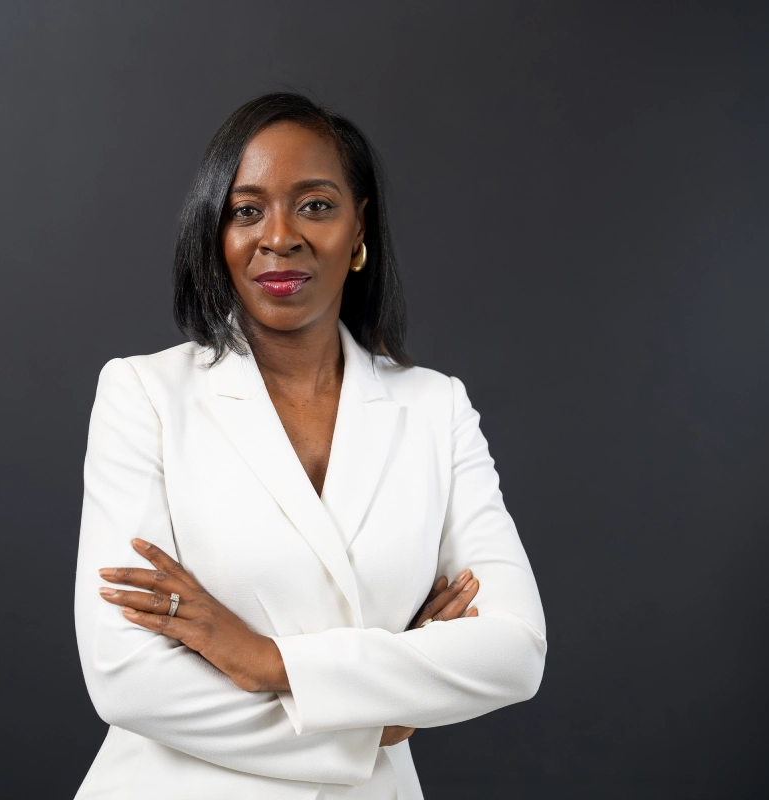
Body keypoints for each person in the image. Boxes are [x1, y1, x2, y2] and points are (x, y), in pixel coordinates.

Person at [72, 92, 546, 800]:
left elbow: (515, 651)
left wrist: (266, 661)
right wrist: (374, 717)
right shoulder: (144, 395)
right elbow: (126, 678)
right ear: (215, 232)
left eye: (316, 205)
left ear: (359, 230)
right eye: (246, 210)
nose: (279, 236)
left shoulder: (435, 406)